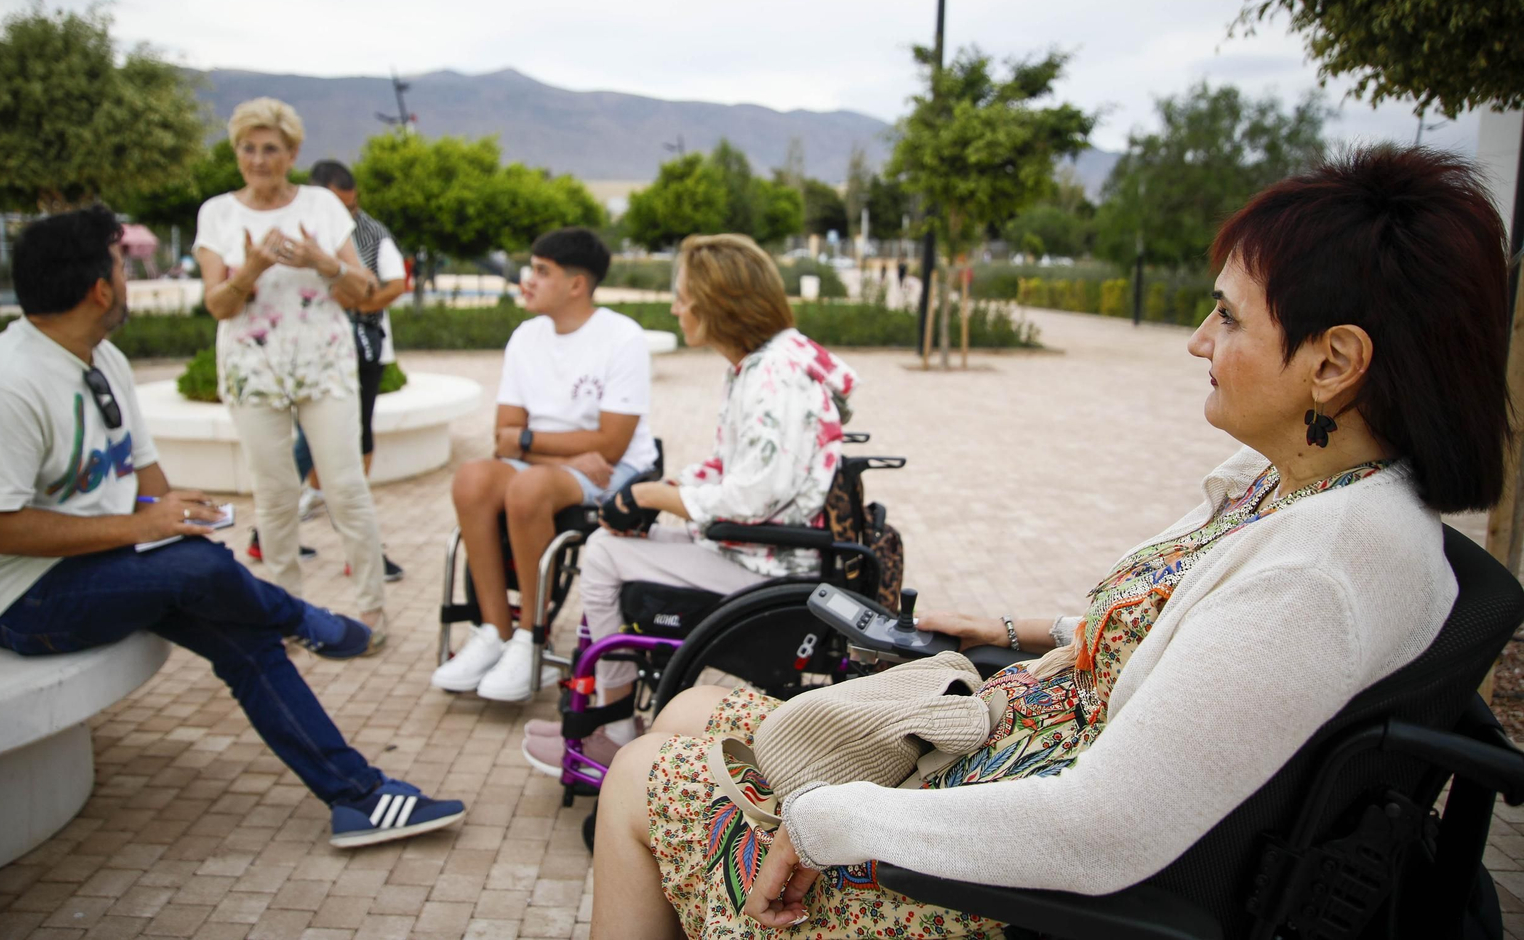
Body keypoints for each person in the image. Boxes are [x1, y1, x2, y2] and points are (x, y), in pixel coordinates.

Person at [588, 146, 1513, 939]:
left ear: (1335, 363)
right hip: (1010, 763)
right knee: (682, 719)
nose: (1197, 340)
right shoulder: (1301, 493)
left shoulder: (1322, 572)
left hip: (1010, 888)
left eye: (1228, 316)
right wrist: (1014, 623)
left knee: (638, 779)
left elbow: (1104, 827)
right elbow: (1201, 644)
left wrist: (832, 820)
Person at [0, 207, 465, 849]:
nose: (129, 278)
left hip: (98, 565)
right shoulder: (3, 385)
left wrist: (175, 506)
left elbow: (144, 471)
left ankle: (359, 798)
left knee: (243, 635)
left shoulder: (99, 356)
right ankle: (300, 618)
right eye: (123, 265)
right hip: (22, 598)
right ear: (100, 287)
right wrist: (144, 522)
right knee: (206, 572)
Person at [520, 233, 858, 776]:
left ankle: (613, 728)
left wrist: (655, 495)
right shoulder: (761, 365)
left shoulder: (772, 375)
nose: (675, 307)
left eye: (683, 296)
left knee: (603, 553)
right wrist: (670, 489)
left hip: (766, 566)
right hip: (759, 550)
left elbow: (752, 496)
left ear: (717, 303)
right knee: (615, 538)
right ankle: (612, 716)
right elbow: (733, 467)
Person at [193, 98, 391, 648]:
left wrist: (320, 261)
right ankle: (286, 612)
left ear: (292, 153)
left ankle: (373, 610)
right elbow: (217, 305)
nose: (258, 160)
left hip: (323, 364)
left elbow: (365, 291)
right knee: (274, 493)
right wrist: (251, 269)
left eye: (270, 149)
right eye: (247, 149)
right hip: (252, 370)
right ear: (236, 152)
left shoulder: (322, 206)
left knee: (346, 487)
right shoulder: (218, 214)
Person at [432, 228, 660, 701]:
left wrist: (530, 444)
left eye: (541, 271)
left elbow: (612, 446)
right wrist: (561, 451)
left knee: (529, 487)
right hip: (561, 465)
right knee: (473, 479)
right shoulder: (526, 337)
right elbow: (502, 439)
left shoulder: (622, 338)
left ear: (576, 285)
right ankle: (495, 630)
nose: (526, 280)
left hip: (614, 473)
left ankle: (530, 641)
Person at [291, 159, 408, 584]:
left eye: (352, 205)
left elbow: (394, 283)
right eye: (340, 206)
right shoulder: (291, 227)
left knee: (348, 438)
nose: (348, 214)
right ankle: (282, 532)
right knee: (314, 440)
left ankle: (358, 549)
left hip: (357, 352)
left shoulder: (369, 233)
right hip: (304, 351)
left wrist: (360, 306)